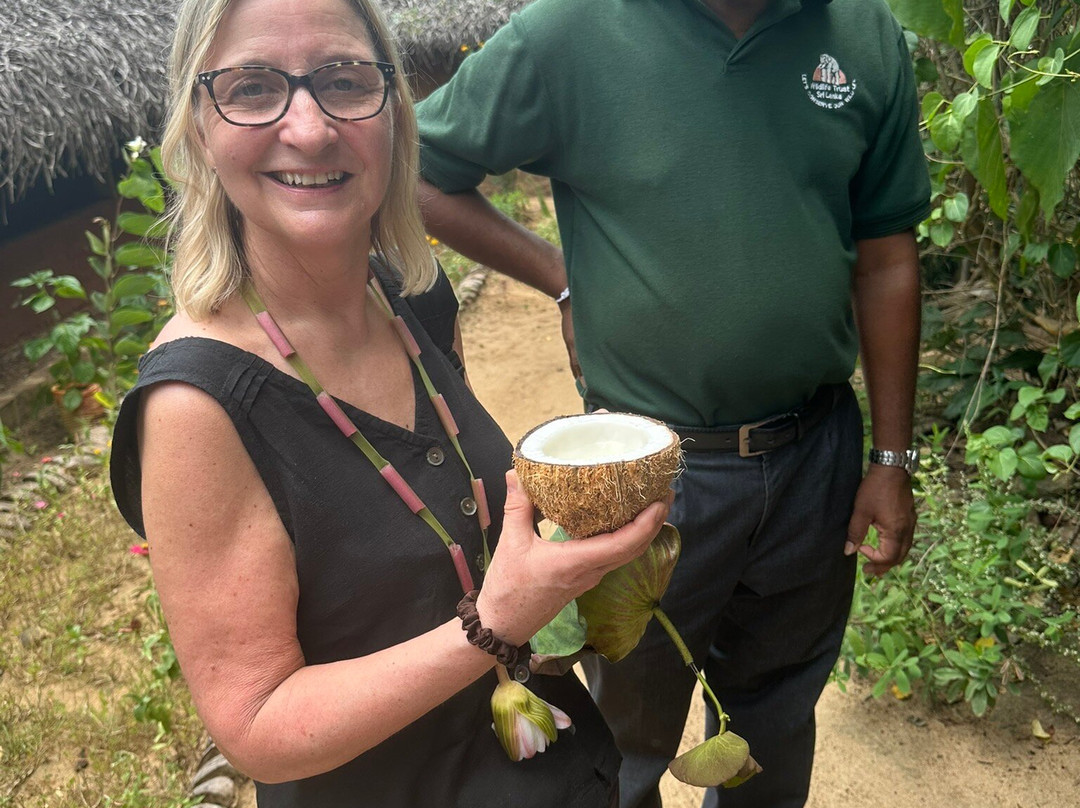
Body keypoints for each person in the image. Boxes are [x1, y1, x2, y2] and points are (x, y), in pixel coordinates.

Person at [108, 0, 672, 805]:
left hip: (564, 767)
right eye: (254, 87)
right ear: (200, 125)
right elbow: (258, 727)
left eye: (344, 80)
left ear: (395, 115)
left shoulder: (411, 296)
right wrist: (498, 620)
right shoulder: (195, 406)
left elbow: (448, 523)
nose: (308, 128)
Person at [414, 0, 931, 806]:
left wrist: (892, 459)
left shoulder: (861, 34)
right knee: (624, 741)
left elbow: (888, 254)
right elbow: (413, 171)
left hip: (815, 458)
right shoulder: (569, 32)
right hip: (641, 477)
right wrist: (563, 277)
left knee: (777, 720)